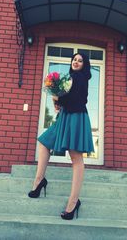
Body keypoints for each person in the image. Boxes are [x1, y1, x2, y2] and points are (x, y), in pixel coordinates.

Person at [28, 53, 94, 220]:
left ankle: (73, 202)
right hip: (65, 116)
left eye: (80, 60)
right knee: (44, 142)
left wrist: (58, 98)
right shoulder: (70, 77)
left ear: (84, 64)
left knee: (75, 157)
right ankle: (39, 181)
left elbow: (75, 99)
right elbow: (66, 98)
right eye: (74, 60)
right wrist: (56, 98)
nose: (76, 62)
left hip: (76, 117)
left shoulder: (80, 77)